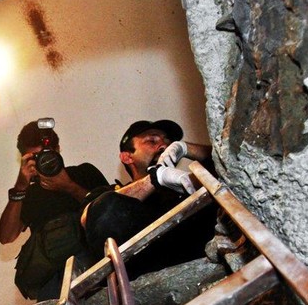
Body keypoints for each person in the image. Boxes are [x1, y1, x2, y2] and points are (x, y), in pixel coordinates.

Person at [82, 119, 216, 277]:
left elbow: (227, 166)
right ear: (127, 157)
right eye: (152, 140)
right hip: (142, 275)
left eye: (168, 141)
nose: (164, 145)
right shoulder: (111, 192)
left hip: (200, 265)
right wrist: (154, 179)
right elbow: (90, 217)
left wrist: (186, 147)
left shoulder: (182, 187)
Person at [0, 120, 108, 300]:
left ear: (57, 151)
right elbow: (6, 236)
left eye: (46, 154)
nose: (43, 161)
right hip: (53, 280)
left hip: (96, 265)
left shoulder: (84, 172)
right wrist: (20, 187)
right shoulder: (29, 193)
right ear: (24, 159)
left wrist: (69, 186)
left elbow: (110, 210)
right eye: (34, 157)